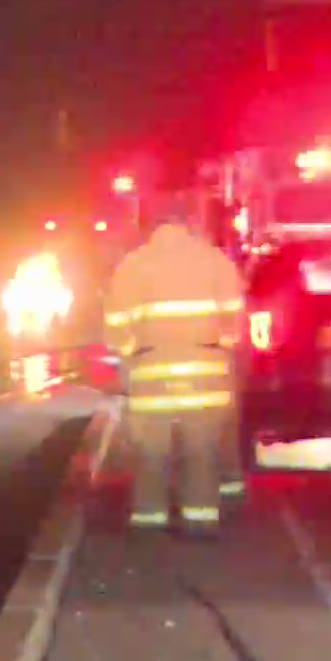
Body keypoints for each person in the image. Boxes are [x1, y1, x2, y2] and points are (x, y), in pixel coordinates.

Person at [103, 205, 247, 538]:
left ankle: (150, 521)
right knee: (200, 452)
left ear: (153, 229)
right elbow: (234, 323)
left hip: (151, 380)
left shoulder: (133, 265)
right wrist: (217, 346)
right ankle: (200, 520)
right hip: (206, 378)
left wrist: (131, 355)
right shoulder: (215, 261)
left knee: (152, 454)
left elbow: (116, 328)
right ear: (188, 226)